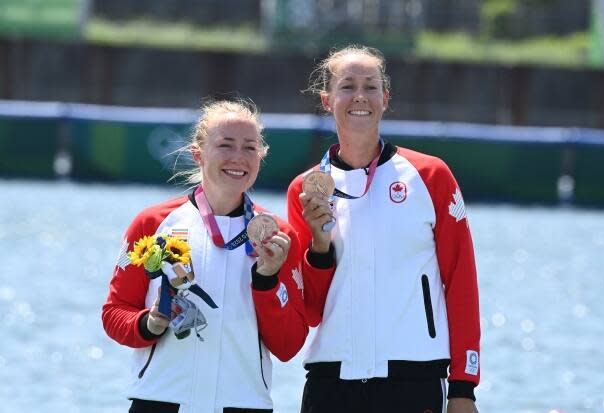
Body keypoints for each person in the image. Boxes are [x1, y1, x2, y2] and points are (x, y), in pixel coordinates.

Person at [287, 45, 481, 413]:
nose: (359, 97)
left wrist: (464, 386)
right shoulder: (304, 188)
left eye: (370, 86)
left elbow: (461, 284)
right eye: (347, 86)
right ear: (327, 100)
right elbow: (311, 310)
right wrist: (319, 244)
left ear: (385, 99)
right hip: (331, 380)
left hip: (415, 377)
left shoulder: (430, 176)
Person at [103, 100, 308, 413]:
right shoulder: (152, 224)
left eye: (249, 148)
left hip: (242, 404)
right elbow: (114, 313)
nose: (238, 157)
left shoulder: (278, 236)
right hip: (162, 401)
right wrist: (149, 324)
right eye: (225, 145)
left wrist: (266, 280)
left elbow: (289, 346)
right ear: (198, 153)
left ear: (261, 156)